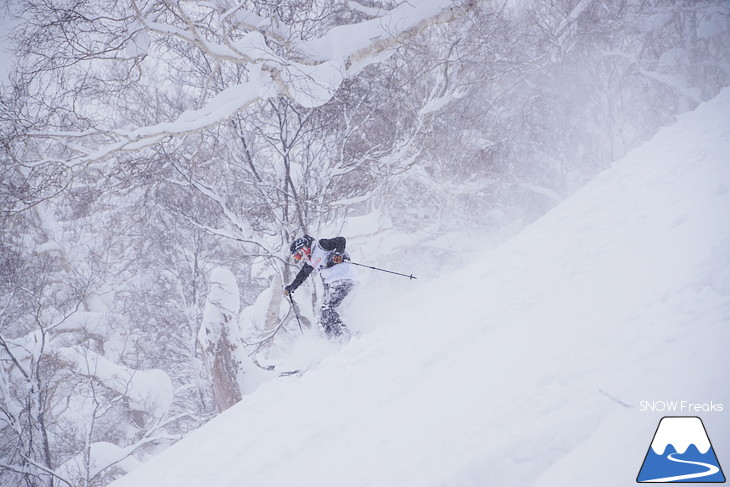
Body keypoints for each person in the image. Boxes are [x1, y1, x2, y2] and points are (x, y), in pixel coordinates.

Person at [284, 234, 358, 339]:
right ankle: (332, 340)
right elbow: (302, 275)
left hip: (344, 280)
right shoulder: (310, 261)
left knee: (327, 309)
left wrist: (338, 254)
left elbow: (341, 240)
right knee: (322, 316)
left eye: (299, 255)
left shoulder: (321, 246)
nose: (300, 259)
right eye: (297, 257)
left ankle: (344, 337)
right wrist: (291, 287)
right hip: (334, 284)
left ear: (304, 248)